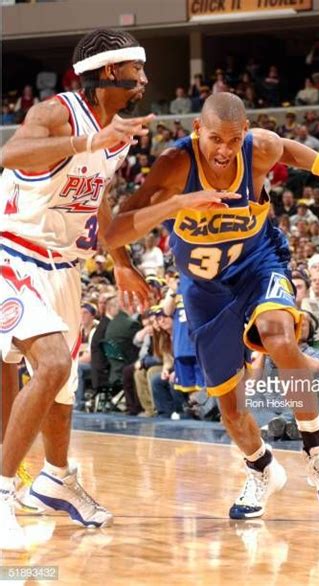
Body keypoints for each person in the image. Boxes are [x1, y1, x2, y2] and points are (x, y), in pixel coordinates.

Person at [106, 92, 319, 518]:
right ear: (198, 130)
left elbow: (291, 151)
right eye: (216, 139)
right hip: (204, 289)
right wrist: (122, 264)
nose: (224, 149)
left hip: (257, 264)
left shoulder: (259, 149)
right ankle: (261, 468)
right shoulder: (175, 164)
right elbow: (122, 218)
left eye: (234, 140)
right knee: (231, 410)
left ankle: (318, 452)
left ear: (245, 132)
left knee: (277, 334)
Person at [0, 27, 151, 542]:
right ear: (110, 71)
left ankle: (56, 478)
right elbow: (10, 155)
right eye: (137, 70)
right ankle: (3, 494)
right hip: (13, 253)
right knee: (52, 365)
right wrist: (89, 140)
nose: (144, 79)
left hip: (64, 266)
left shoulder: (116, 131)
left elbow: (96, 195)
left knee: (60, 388)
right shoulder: (56, 113)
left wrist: (121, 260)